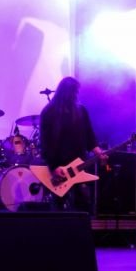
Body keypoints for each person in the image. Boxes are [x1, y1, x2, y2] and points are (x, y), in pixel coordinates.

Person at [39, 76, 107, 213]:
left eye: (77, 92)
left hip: (79, 164)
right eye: (74, 92)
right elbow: (45, 144)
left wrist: (98, 152)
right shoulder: (49, 112)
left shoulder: (81, 111)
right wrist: (53, 167)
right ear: (66, 92)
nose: (76, 95)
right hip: (58, 167)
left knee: (83, 205)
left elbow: (89, 135)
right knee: (58, 207)